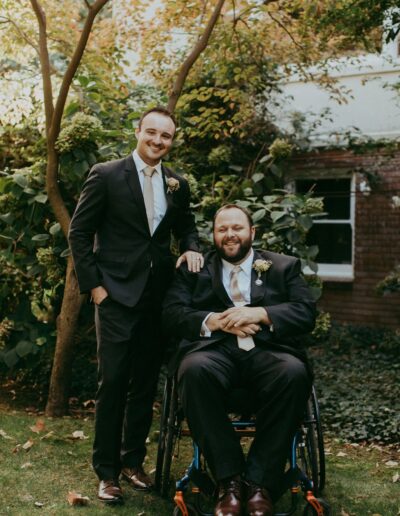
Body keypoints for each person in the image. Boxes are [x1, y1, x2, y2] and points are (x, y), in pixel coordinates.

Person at [68, 106, 203, 505]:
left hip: (156, 299)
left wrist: (192, 249)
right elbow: (79, 232)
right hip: (114, 297)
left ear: (171, 141)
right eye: (152, 133)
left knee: (144, 384)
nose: (158, 141)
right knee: (113, 383)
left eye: (166, 136)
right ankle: (106, 472)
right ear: (138, 132)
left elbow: (187, 226)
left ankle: (132, 462)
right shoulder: (106, 174)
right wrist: (95, 288)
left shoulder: (177, 183)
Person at [162, 204, 316, 516]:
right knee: (192, 371)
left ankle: (259, 484)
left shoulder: (283, 266)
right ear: (214, 235)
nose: (230, 235)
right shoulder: (195, 269)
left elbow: (306, 311)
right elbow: (171, 313)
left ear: (252, 232)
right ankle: (229, 481)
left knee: (293, 372)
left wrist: (260, 313)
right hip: (213, 353)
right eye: (222, 229)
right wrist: (216, 321)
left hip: (268, 352)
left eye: (237, 228)